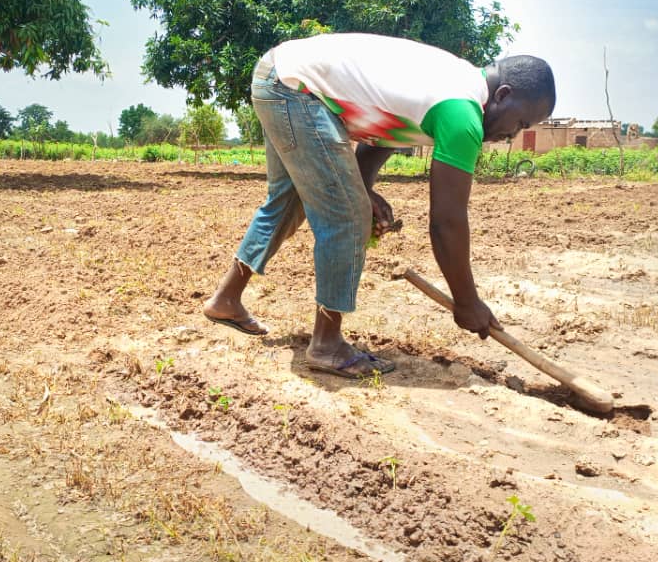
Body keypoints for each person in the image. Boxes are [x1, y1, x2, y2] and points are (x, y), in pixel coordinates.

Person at [202, 32, 556, 377]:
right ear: (504, 94)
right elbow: (446, 221)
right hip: (297, 88)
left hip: (281, 74)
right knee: (348, 214)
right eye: (520, 123)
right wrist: (467, 301)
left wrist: (363, 188)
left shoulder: (454, 82)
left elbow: (382, 132)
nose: (512, 135)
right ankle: (326, 344)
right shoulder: (462, 113)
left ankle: (226, 300)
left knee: (289, 200)